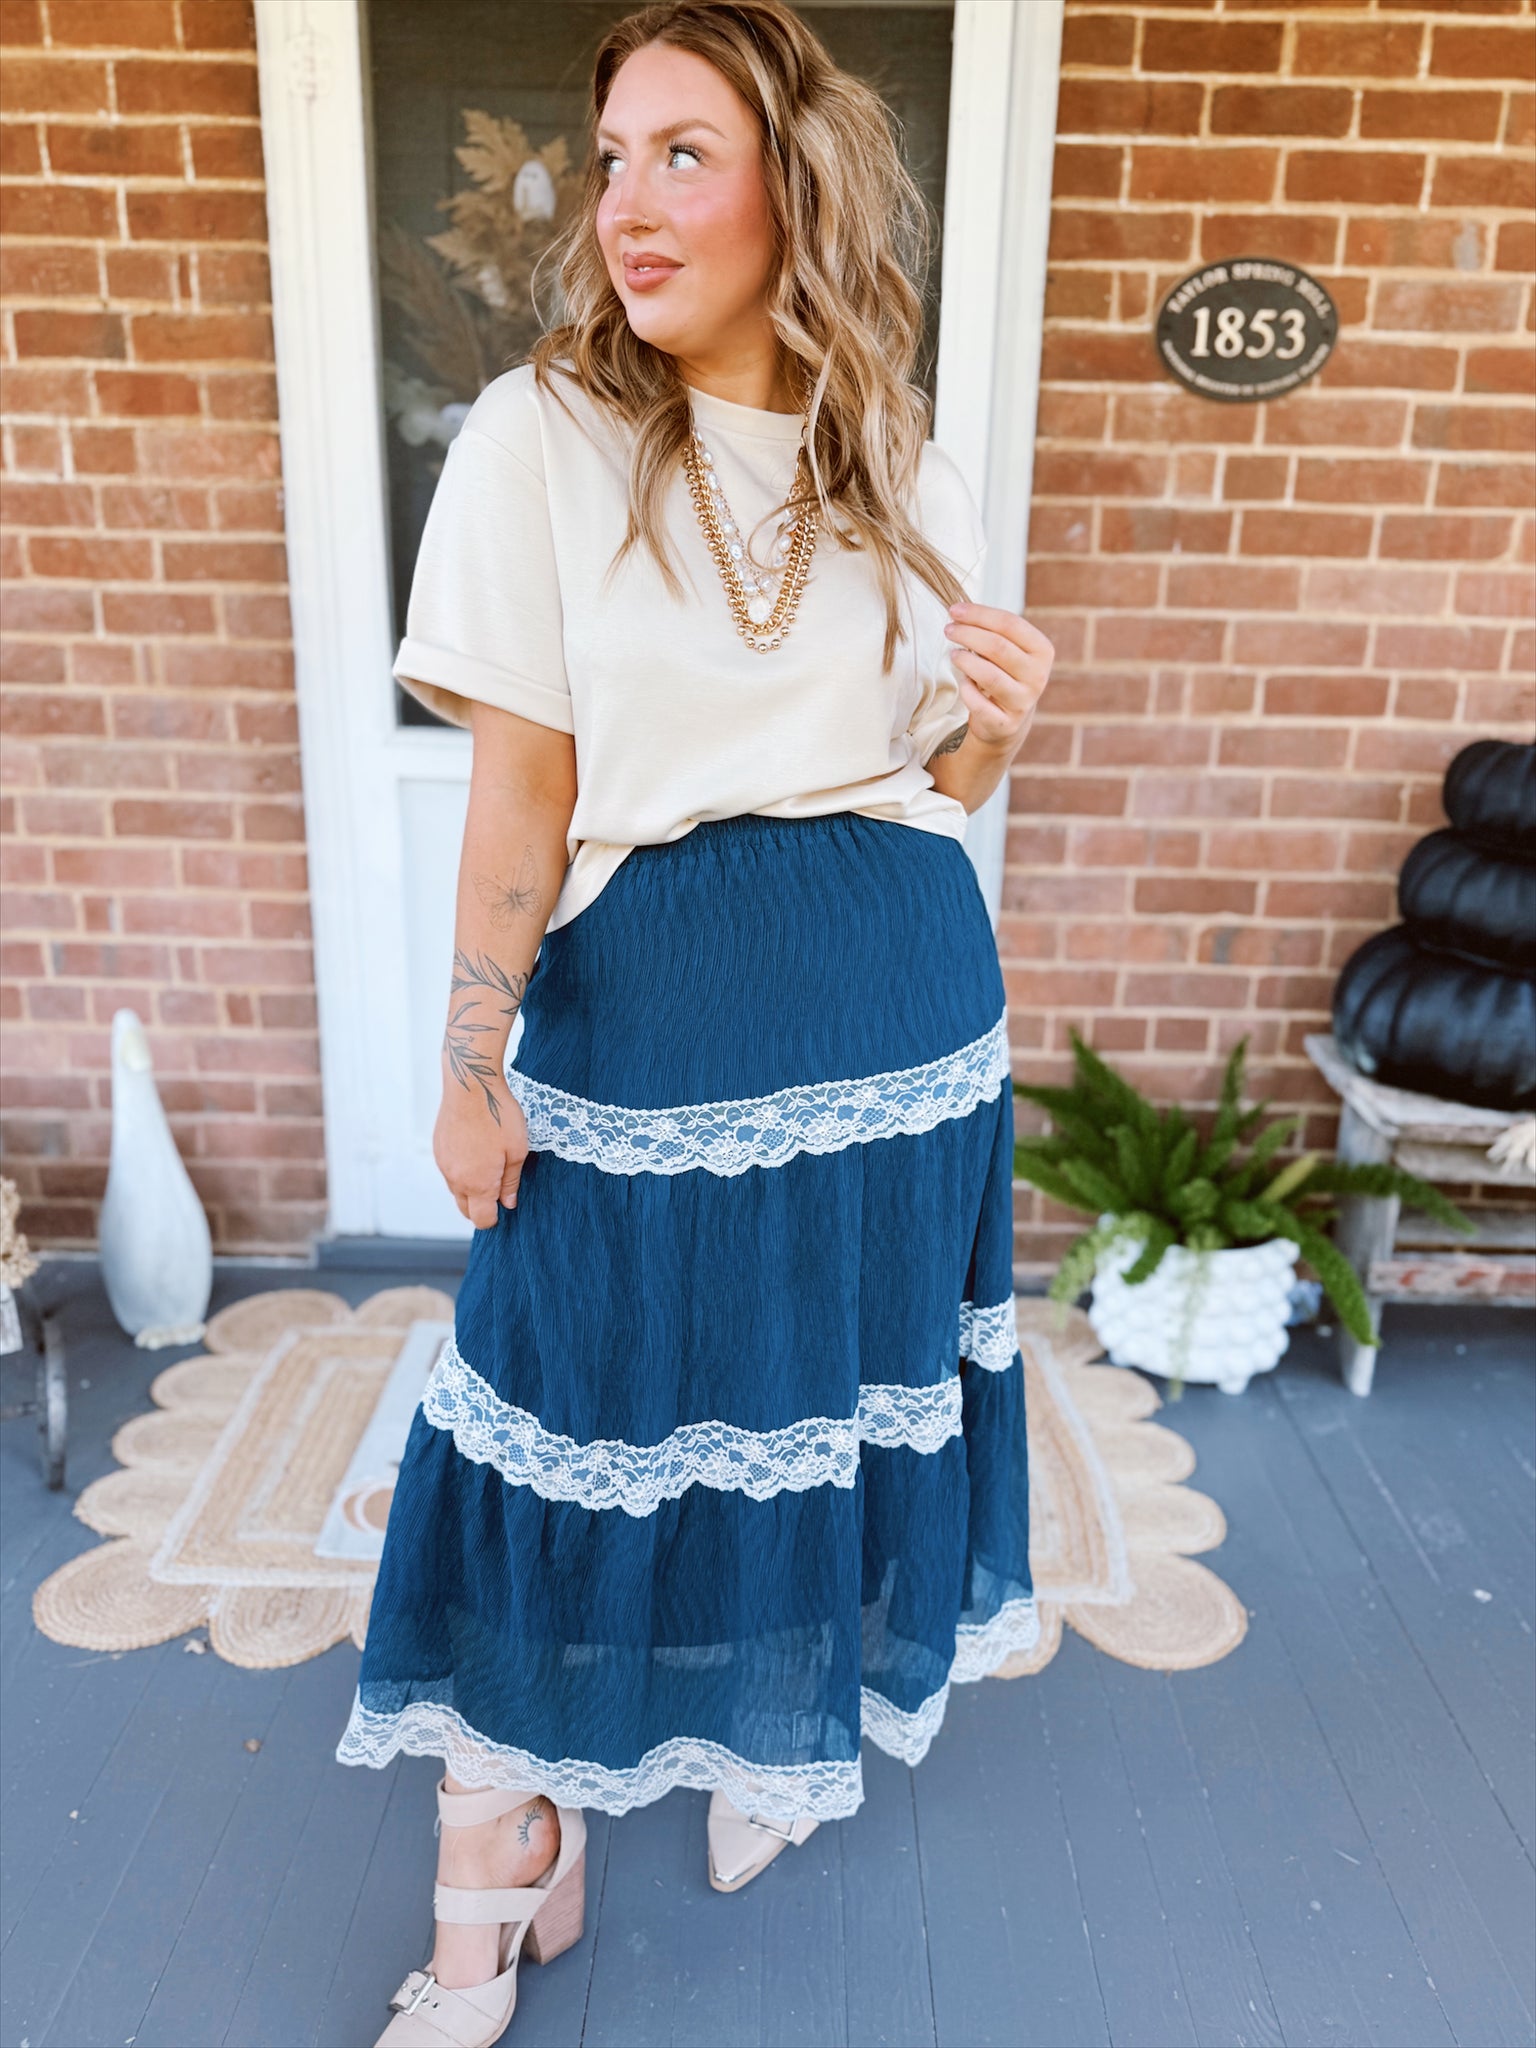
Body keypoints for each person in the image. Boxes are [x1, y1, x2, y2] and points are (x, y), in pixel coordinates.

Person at [337, 4, 1055, 2042]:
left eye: (686, 154)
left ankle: (767, 1727)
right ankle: (499, 1847)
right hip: (649, 1020)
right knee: (557, 1406)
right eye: (614, 157)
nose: (628, 205)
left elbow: (934, 780)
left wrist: (999, 723)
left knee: (824, 1391)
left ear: (789, 187)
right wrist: (470, 1060)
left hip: (903, 1017)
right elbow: (522, 783)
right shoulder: (537, 439)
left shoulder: (900, 454)